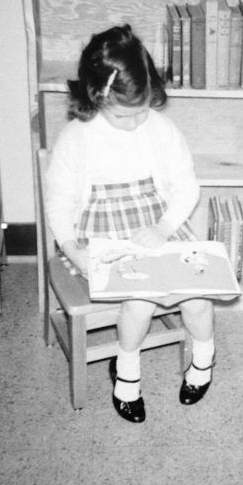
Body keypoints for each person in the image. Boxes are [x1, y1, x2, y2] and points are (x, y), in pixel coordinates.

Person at [44, 24, 216, 423]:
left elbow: (187, 187)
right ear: (96, 97)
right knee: (140, 300)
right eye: (125, 115)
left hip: (158, 224)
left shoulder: (159, 127)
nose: (137, 121)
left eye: (143, 109)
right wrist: (72, 249)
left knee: (198, 297)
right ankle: (126, 374)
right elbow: (59, 201)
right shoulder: (77, 137)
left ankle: (204, 361)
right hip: (99, 231)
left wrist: (164, 227)